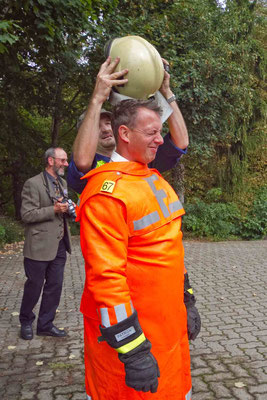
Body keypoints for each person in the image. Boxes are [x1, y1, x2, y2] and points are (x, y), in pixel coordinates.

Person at [76, 99, 193, 399]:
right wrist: (133, 349)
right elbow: (106, 280)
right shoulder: (107, 195)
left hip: (168, 332)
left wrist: (187, 299)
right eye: (152, 132)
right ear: (125, 134)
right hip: (135, 344)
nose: (160, 139)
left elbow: (170, 247)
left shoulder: (152, 178)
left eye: (160, 132)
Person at [67, 56, 189, 194]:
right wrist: (97, 98)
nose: (106, 129)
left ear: (122, 131)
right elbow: (82, 161)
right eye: (97, 127)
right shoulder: (89, 169)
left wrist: (166, 91)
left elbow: (181, 142)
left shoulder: (140, 157)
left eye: (108, 123)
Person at [19, 147, 72, 340]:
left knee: (55, 286)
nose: (66, 164)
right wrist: (54, 209)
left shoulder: (62, 182)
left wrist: (69, 209)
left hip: (59, 244)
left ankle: (45, 324)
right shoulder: (32, 184)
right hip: (39, 246)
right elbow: (26, 214)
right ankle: (25, 321)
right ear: (51, 161)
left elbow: (63, 207)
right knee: (34, 286)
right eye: (63, 160)